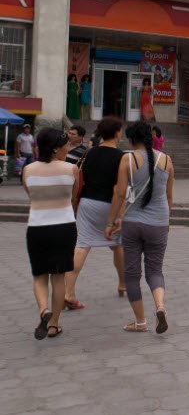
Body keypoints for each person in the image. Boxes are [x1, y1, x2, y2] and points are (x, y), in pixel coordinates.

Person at [106, 121, 174, 334]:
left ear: (131, 139)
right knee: (155, 270)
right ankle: (160, 306)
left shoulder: (127, 158)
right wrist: (166, 220)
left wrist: (112, 221)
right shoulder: (167, 160)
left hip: (133, 223)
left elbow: (119, 193)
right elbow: (169, 196)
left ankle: (141, 322)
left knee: (132, 274)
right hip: (159, 222)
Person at [63, 117, 126, 309]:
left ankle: (68, 292)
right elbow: (120, 190)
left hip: (87, 202)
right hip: (109, 204)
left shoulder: (88, 153)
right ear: (116, 133)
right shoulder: (122, 157)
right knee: (118, 244)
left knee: (81, 244)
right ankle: (123, 283)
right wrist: (118, 216)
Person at [23, 128, 79, 339]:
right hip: (64, 227)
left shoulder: (28, 170)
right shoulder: (71, 169)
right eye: (66, 144)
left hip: (37, 228)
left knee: (39, 275)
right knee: (58, 277)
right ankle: (54, 324)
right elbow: (74, 196)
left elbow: (31, 195)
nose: (68, 147)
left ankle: (43, 310)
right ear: (56, 148)